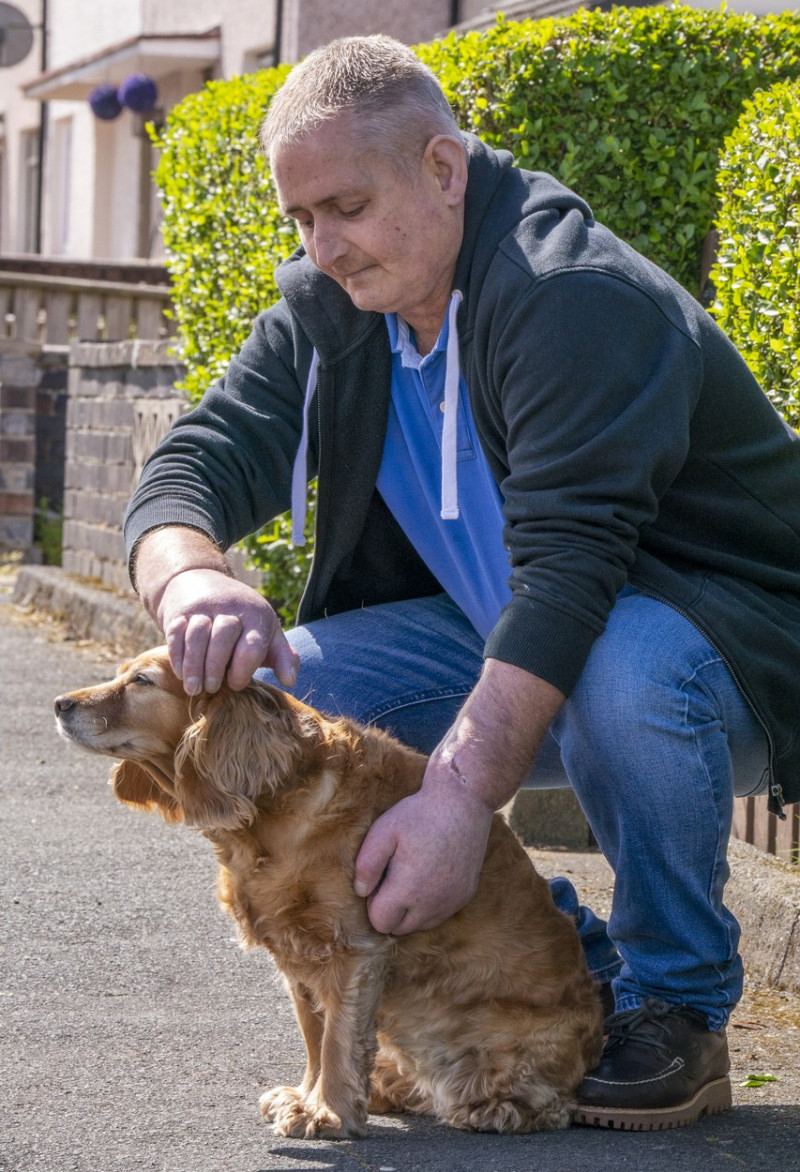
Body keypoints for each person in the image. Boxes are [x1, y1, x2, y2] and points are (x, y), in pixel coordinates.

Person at [125, 35, 800, 1131]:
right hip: (517, 628)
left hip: (722, 649)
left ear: (444, 167)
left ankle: (672, 1000)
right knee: (311, 695)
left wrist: (452, 797)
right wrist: (191, 575)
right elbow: (189, 466)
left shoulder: (567, 293)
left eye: (344, 205)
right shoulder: (334, 306)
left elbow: (572, 574)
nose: (322, 246)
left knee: (617, 660)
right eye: (300, 219)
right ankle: (557, 955)